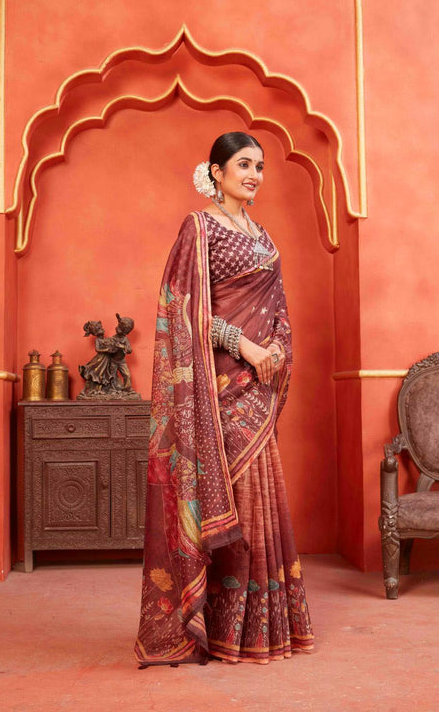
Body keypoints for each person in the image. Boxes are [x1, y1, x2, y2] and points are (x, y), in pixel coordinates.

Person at [135, 132, 314, 666]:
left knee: (260, 498)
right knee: (225, 500)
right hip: (219, 392)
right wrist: (248, 347)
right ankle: (216, 631)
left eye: (260, 166)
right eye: (243, 164)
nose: (254, 174)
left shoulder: (262, 236)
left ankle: (258, 631)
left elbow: (279, 306)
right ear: (216, 171)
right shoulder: (199, 228)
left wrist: (277, 349)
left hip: (259, 385)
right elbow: (185, 313)